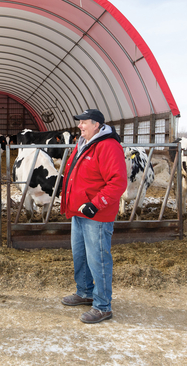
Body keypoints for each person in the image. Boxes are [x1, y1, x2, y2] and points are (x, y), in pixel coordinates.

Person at [60, 109, 127, 324]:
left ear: (96, 124)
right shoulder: (83, 144)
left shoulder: (108, 146)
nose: (80, 126)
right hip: (78, 212)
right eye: (79, 122)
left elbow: (117, 182)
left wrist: (95, 205)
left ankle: (103, 306)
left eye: (84, 122)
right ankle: (86, 292)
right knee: (80, 255)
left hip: (96, 214)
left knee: (98, 259)